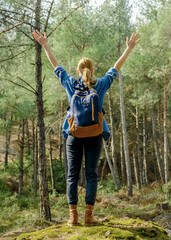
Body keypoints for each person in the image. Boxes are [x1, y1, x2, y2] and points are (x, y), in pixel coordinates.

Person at [32, 30, 140, 226]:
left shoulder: (70, 84)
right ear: (92, 69)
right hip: (95, 134)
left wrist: (45, 45)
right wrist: (128, 49)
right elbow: (116, 68)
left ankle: (73, 218)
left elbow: (56, 66)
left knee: (72, 175)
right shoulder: (101, 84)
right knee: (91, 174)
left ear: (77, 70)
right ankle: (88, 217)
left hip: (73, 133)